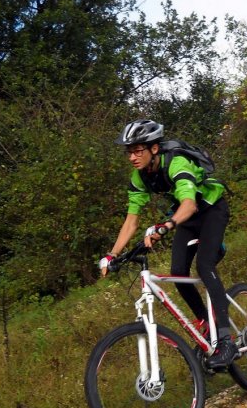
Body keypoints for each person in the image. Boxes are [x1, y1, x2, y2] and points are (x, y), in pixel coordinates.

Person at [99, 119, 237, 368]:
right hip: (188, 220)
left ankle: (226, 340)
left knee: (205, 267)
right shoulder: (140, 177)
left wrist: (166, 226)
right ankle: (207, 326)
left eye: (138, 150)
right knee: (177, 273)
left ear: (154, 148)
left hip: (210, 209)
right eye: (129, 152)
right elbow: (131, 221)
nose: (132, 157)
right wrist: (112, 255)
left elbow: (190, 203)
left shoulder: (175, 162)